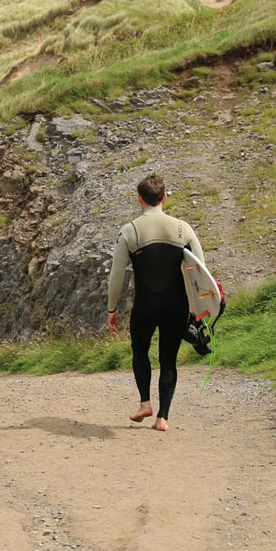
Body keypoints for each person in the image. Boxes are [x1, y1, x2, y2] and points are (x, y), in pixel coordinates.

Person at [106, 173, 205, 432]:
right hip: (176, 305)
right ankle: (162, 418)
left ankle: (145, 403)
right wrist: (199, 310)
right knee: (168, 359)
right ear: (165, 198)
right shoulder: (183, 228)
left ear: (139, 199)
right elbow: (200, 271)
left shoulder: (129, 230)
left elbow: (116, 275)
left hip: (145, 305)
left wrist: (112, 308)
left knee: (140, 351)